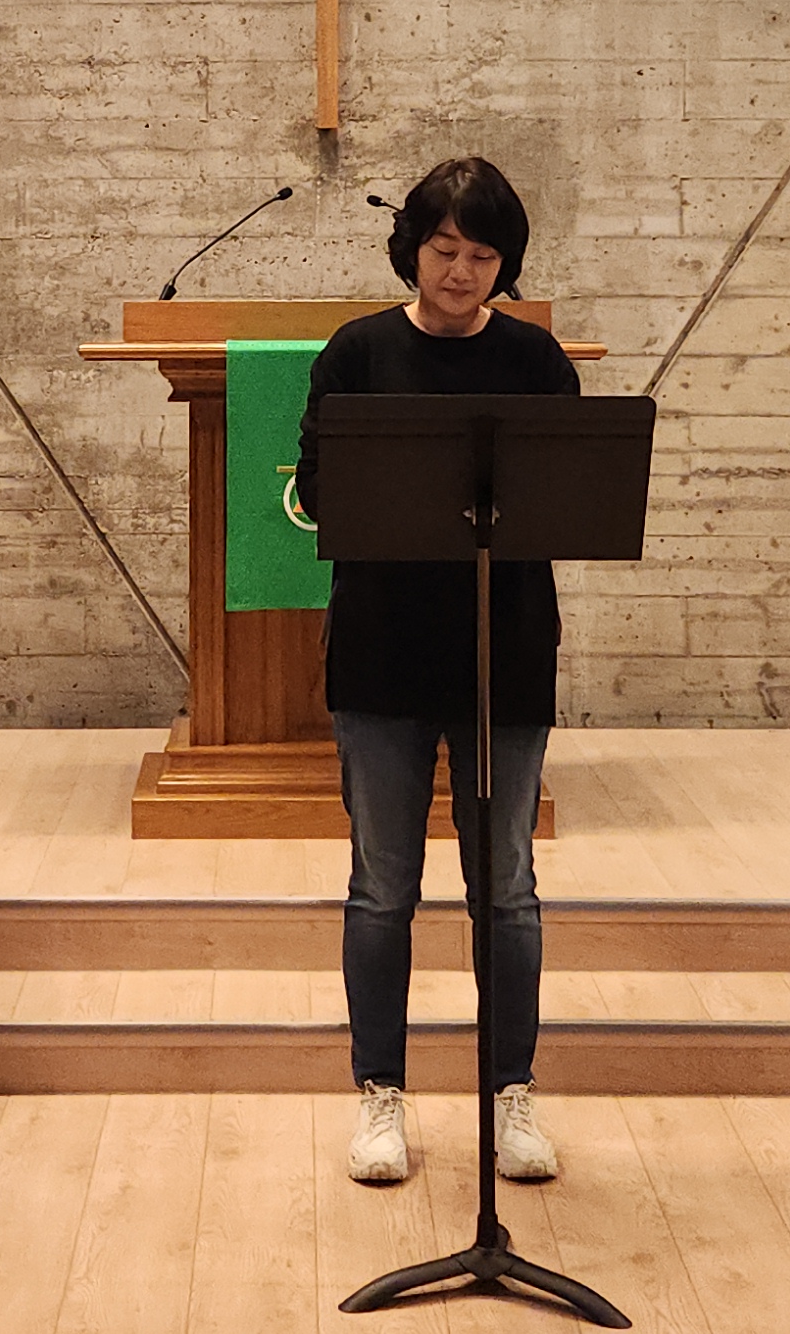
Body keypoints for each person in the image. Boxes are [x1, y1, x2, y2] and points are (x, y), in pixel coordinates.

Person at [293, 156, 582, 1189]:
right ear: (412, 248)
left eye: (482, 255)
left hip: (505, 648)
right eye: (444, 249)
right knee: (382, 887)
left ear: (507, 263)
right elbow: (318, 488)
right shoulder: (359, 353)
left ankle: (511, 1094)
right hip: (383, 646)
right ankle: (380, 1092)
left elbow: (567, 497)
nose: (460, 272)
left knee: (506, 888)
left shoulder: (535, 359)